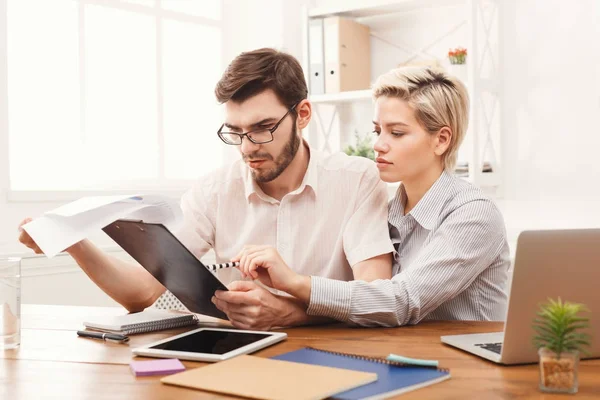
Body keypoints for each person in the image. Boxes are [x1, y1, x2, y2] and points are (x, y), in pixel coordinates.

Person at [18, 48, 393, 330]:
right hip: (243, 358)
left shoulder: (358, 180)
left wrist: (295, 314)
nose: (247, 147)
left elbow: (378, 298)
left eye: (263, 127)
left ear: (303, 115)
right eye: (235, 131)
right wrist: (73, 241)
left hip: (336, 354)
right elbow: (141, 293)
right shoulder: (215, 190)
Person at [219, 66, 510, 327]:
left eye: (396, 133)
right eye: (377, 130)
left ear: (441, 140)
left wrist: (295, 283)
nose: (379, 145)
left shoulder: (473, 215)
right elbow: (369, 296)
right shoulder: (390, 209)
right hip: (410, 361)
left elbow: (401, 301)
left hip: (470, 369)